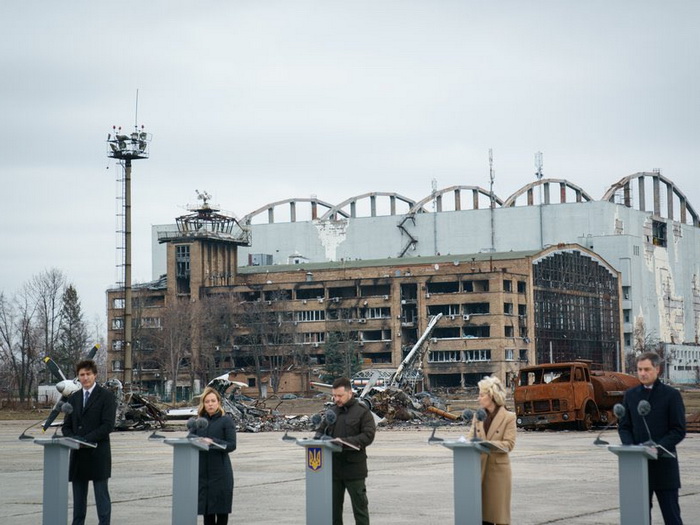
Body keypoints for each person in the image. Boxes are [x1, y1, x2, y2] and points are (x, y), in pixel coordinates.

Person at [618, 352, 686, 525]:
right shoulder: (630, 395)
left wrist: (658, 447)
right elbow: (624, 426)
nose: (642, 373)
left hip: (664, 466)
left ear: (657, 369)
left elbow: (678, 429)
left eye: (646, 369)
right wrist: (632, 449)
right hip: (638, 469)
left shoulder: (671, 395)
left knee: (672, 516)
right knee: (639, 518)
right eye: (639, 369)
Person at [62, 359, 117, 525]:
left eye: (88, 374)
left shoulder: (106, 397)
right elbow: (66, 426)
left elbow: (107, 425)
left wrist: (86, 439)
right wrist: (73, 438)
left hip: (97, 452)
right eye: (81, 375)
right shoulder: (74, 398)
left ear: (95, 375)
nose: (85, 378)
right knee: (78, 499)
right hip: (78, 454)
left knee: (101, 496)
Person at [316, 377, 376, 525]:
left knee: (360, 510)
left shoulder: (363, 412)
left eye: (340, 396)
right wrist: (318, 440)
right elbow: (319, 431)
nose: (336, 399)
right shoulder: (332, 412)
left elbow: (368, 436)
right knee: (333, 512)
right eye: (334, 396)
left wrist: (346, 442)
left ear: (350, 393)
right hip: (334, 470)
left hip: (354, 470)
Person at [467, 375, 517, 525]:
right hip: (479, 470)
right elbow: (470, 438)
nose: (478, 398)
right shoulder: (477, 416)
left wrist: (487, 443)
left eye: (481, 395)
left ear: (492, 396)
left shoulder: (509, 417)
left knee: (498, 515)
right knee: (481, 516)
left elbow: (509, 444)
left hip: (498, 472)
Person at [192, 386, 237, 525]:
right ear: (203, 404)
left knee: (221, 512)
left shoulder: (226, 421)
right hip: (203, 475)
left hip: (221, 474)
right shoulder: (198, 422)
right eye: (207, 402)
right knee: (207, 514)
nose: (210, 404)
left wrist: (213, 441)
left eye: (213, 401)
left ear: (218, 402)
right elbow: (190, 439)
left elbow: (231, 445)